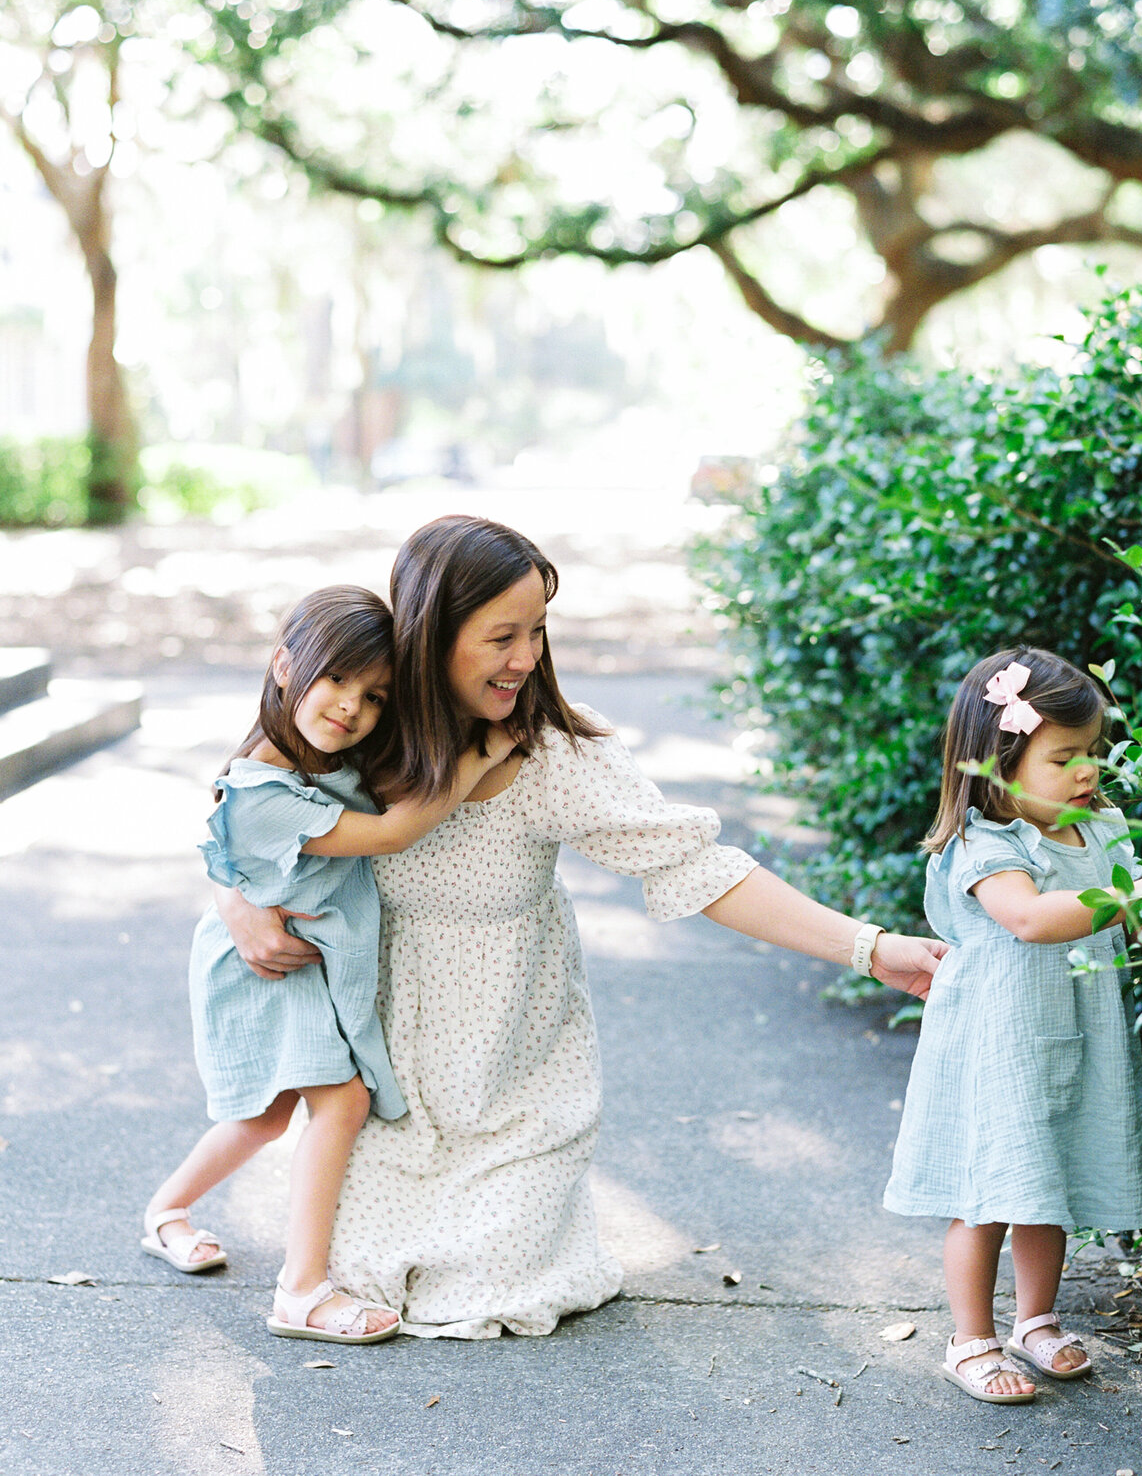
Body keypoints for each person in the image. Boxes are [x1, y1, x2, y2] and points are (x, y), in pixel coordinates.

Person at [217, 517, 947, 1339]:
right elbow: (242, 801)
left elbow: (695, 865)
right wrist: (235, 902)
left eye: (536, 631)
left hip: (513, 1083)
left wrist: (869, 947)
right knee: (371, 1277)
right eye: (501, 636)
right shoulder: (362, 719)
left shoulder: (550, 750)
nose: (525, 659)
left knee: (491, 1291)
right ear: (430, 636)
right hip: (383, 1084)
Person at [143, 585, 513, 1343]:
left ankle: (164, 1211)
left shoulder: (320, 756)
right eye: (335, 679)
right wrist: (480, 758)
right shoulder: (263, 787)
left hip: (294, 952)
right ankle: (301, 1290)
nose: (351, 706)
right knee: (335, 1102)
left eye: (374, 695)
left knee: (266, 1116)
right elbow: (386, 835)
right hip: (263, 965)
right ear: (285, 665)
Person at [884, 650, 1142, 1402]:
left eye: (1092, 754)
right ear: (1001, 763)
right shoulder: (985, 843)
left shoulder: (1099, 830)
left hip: (1076, 1040)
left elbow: (1135, 920)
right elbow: (1031, 919)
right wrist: (1137, 892)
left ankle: (1036, 1320)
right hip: (997, 1047)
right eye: (1064, 757)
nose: (1086, 772)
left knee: (1048, 1184)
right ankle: (971, 1338)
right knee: (988, 1192)